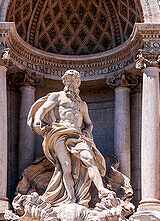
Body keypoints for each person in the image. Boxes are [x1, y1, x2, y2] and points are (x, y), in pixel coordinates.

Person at [28, 70, 109, 206]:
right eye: (69, 80)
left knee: (89, 159)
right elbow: (43, 109)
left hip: (77, 135)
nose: (72, 83)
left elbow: (89, 123)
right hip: (59, 132)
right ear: (64, 82)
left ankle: (102, 190)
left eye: (75, 80)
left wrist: (87, 133)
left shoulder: (82, 105)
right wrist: (37, 120)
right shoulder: (57, 96)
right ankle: (71, 199)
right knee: (66, 166)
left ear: (78, 83)